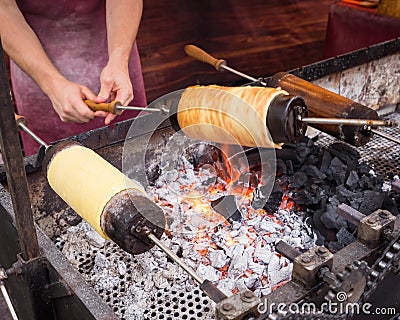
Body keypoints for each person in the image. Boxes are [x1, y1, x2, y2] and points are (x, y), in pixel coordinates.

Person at [0, 0, 146, 155]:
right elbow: (4, 10)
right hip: (35, 68)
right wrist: (53, 85)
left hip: (116, 54)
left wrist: (119, 59)